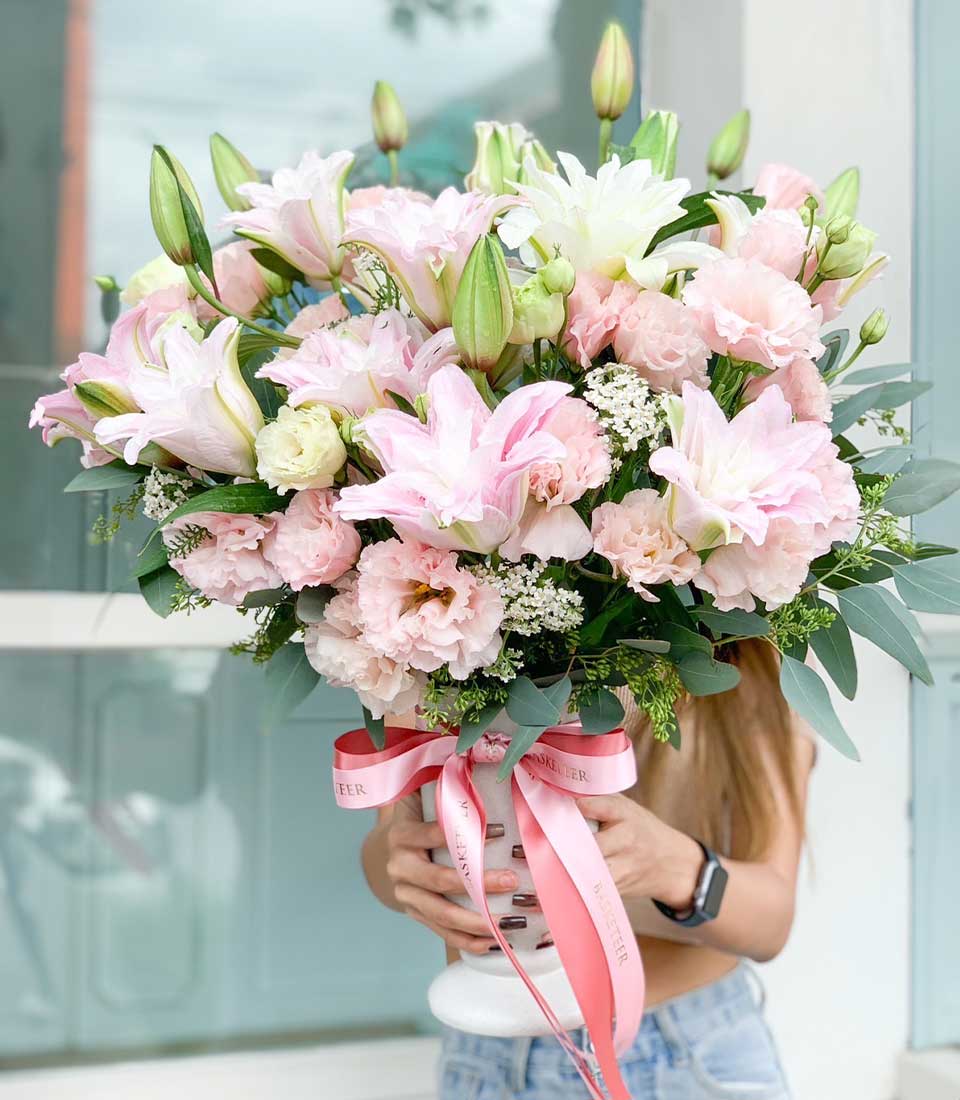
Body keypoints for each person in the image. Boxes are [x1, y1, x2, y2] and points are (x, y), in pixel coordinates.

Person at [362, 640, 815, 1098]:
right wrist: (409, 864)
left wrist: (672, 866)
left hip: (681, 1054)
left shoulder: (746, 642)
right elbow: (384, 858)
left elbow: (770, 923)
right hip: (488, 1047)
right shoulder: (436, 626)